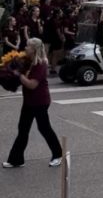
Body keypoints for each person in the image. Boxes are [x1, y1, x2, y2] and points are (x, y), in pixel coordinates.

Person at [3, 38, 63, 169]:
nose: (25, 48)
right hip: (29, 101)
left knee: (44, 128)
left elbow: (32, 85)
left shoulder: (40, 64)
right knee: (23, 129)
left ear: (34, 49)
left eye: (28, 46)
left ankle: (58, 155)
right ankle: (16, 160)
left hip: (40, 102)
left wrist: (18, 75)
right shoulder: (28, 62)